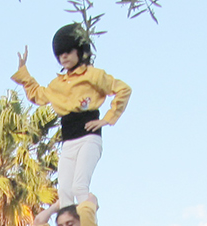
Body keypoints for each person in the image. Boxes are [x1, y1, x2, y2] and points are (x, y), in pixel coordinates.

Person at [12, 24, 131, 208]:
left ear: (80, 51)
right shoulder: (58, 84)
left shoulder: (93, 75)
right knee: (65, 192)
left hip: (89, 137)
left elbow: (123, 89)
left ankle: (88, 223)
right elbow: (38, 95)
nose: (64, 57)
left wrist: (107, 119)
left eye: (68, 51)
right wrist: (23, 72)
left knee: (79, 187)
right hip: (68, 141)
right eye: (60, 54)